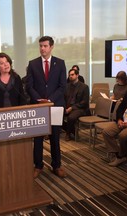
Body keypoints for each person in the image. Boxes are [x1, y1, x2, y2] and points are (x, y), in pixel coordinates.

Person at [26, 36, 67, 178]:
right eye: (40, 46)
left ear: (51, 47)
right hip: (38, 106)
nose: (42, 48)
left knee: (55, 137)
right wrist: (39, 100)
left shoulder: (60, 63)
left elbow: (62, 86)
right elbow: (29, 86)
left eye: (45, 46)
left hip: (55, 105)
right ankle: (38, 165)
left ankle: (57, 165)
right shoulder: (33, 64)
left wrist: (49, 100)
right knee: (37, 138)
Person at [64, 68, 90, 141]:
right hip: (67, 107)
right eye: (69, 75)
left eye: (72, 75)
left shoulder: (84, 87)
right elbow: (64, 98)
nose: (70, 76)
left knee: (71, 118)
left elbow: (84, 102)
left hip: (80, 108)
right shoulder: (67, 86)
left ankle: (68, 134)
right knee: (56, 115)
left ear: (77, 75)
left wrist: (72, 108)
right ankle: (73, 131)